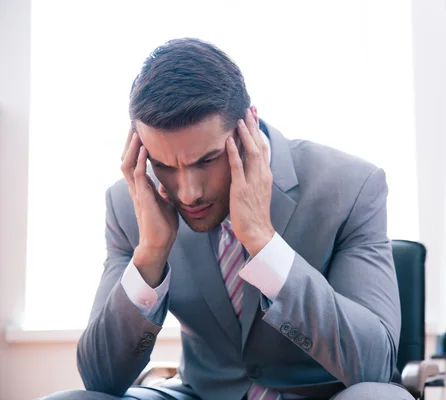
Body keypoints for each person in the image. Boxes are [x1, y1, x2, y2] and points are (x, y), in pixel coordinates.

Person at [44, 38, 413, 400]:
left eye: (206, 160)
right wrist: (151, 254)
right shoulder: (130, 204)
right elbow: (100, 379)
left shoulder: (349, 187)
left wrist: (265, 245)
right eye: (163, 165)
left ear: (247, 125)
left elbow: (375, 366)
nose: (188, 193)